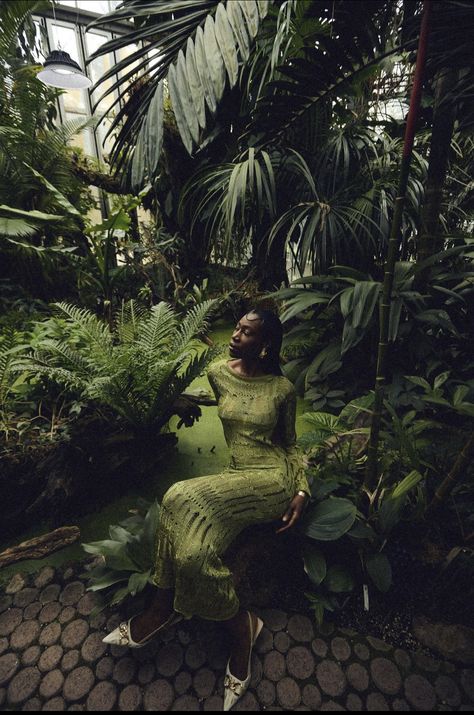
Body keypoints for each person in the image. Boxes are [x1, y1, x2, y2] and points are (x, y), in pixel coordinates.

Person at [103, 308, 310, 710]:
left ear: (265, 345)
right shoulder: (218, 372)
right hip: (237, 474)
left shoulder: (283, 389)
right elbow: (219, 404)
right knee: (192, 548)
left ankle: (230, 631)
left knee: (181, 492)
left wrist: (301, 489)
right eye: (236, 328)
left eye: (246, 333)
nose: (235, 335)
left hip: (272, 482)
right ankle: (195, 614)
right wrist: (181, 403)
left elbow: (291, 445)